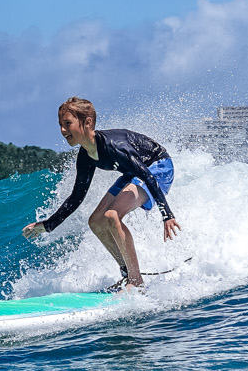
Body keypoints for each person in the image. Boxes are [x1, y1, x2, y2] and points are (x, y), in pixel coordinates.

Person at [23, 97, 180, 290]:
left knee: (112, 215)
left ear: (87, 122)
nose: (63, 130)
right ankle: (126, 272)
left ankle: (136, 281)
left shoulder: (115, 146)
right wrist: (48, 225)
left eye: (67, 124)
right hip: (134, 173)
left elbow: (147, 176)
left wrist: (167, 215)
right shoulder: (85, 157)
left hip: (158, 168)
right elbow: (76, 197)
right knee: (96, 221)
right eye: (60, 125)